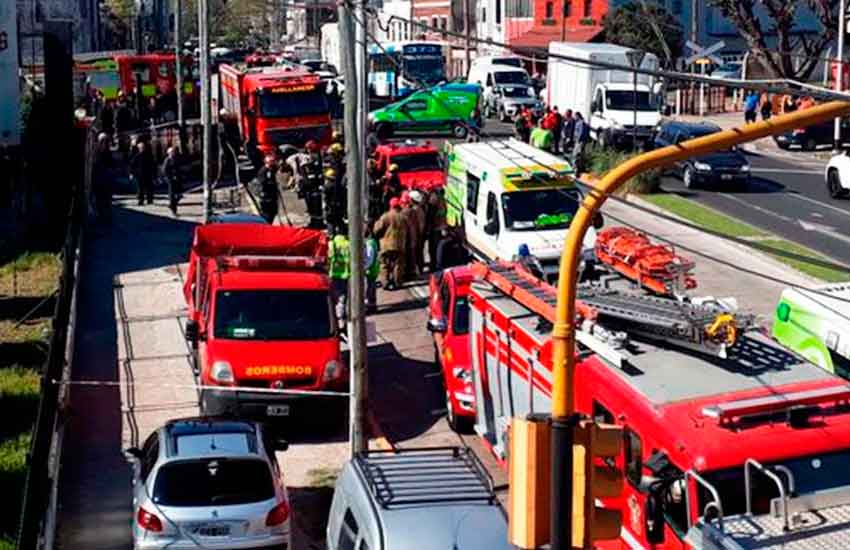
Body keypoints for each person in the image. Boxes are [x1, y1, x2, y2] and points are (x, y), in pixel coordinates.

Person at [373, 197, 407, 290]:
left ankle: (385, 283)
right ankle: (397, 282)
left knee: (384, 265)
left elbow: (377, 229)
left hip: (386, 245)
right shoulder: (403, 217)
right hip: (400, 244)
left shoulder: (386, 216)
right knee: (398, 265)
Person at [328, 231, 351, 324]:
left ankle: (337, 317)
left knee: (333, 298)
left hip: (333, 274)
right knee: (343, 298)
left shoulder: (331, 244)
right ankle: (341, 317)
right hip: (346, 274)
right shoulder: (348, 244)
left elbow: (329, 257)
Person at [92, 132, 114, 219]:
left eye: (106, 141)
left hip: (106, 178)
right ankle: (101, 214)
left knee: (107, 198)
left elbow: (111, 164)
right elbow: (94, 163)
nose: (104, 143)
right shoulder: (96, 151)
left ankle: (107, 215)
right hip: (98, 178)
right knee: (99, 198)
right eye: (102, 141)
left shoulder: (108, 152)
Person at [426, 187, 448, 270]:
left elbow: (431, 217)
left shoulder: (435, 204)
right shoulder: (443, 202)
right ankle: (437, 265)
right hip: (440, 228)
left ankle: (434, 265)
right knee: (438, 248)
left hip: (435, 228)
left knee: (433, 249)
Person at [407, 190, 427, 276]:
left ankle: (417, 271)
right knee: (418, 253)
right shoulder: (419, 209)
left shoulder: (417, 210)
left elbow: (420, 225)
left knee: (417, 254)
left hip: (417, 236)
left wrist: (418, 235)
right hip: (418, 235)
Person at [130, 139, 155, 205]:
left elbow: (153, 165)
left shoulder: (149, 155)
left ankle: (150, 200)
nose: (142, 148)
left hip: (148, 174)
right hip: (140, 175)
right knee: (140, 188)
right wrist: (132, 173)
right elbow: (132, 165)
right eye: (141, 147)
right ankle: (141, 200)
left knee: (149, 188)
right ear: (139, 148)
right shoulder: (137, 156)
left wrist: (154, 174)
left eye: (143, 147)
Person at [256, 154, 279, 223]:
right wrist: (272, 184)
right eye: (272, 162)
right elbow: (263, 183)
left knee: (273, 213)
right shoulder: (263, 171)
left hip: (272, 196)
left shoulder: (271, 170)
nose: (274, 163)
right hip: (266, 198)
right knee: (267, 215)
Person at [161, 146, 182, 215]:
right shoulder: (167, 160)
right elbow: (164, 170)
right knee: (172, 195)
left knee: (179, 195)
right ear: (169, 153)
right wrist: (171, 176)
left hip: (177, 179)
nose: (173, 153)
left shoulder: (176, 159)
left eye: (174, 152)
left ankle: (172, 205)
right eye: (172, 152)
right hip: (170, 180)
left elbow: (178, 168)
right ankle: (174, 209)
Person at [364, 225, 380, 313]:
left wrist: (364, 267)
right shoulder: (372, 242)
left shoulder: (369, 244)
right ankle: (372, 305)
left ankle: (371, 306)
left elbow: (370, 258)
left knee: (370, 288)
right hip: (373, 269)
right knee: (371, 288)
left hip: (370, 270)